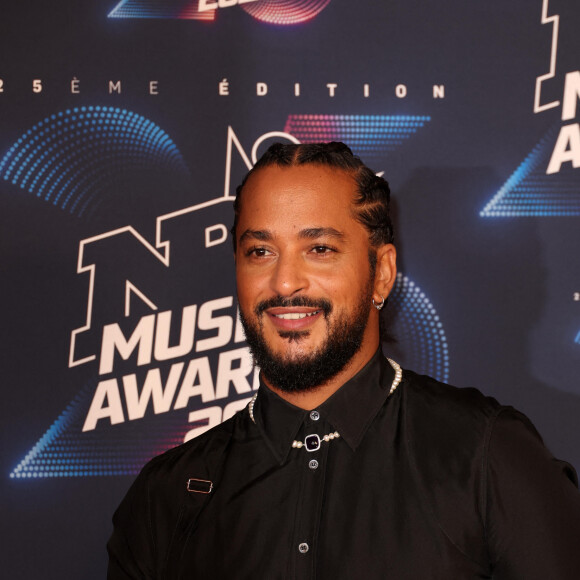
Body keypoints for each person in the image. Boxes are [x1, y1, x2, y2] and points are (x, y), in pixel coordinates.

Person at [107, 142, 580, 579]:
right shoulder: (165, 496)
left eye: (319, 249)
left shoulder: (486, 457)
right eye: (260, 251)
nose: (285, 282)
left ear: (382, 274)